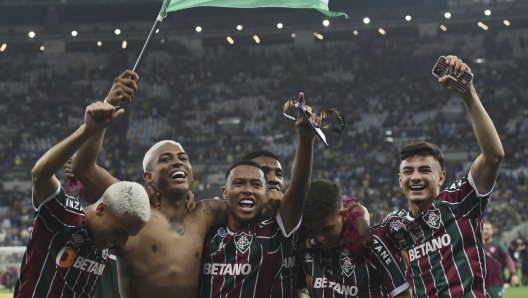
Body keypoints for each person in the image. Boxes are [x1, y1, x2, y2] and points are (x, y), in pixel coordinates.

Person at [71, 70, 276, 298]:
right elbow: (83, 167)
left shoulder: (205, 213)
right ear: (148, 177)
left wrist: (276, 196)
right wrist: (107, 108)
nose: (177, 162)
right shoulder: (131, 209)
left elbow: (252, 201)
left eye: (183, 159)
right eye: (166, 159)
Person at [376, 55, 504, 297]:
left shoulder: (458, 201)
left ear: (441, 177)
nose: (415, 177)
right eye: (408, 171)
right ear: (399, 179)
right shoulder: (394, 225)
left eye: (425, 170)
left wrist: (468, 95)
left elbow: (493, 156)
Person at [14, 101, 151, 298]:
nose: (121, 242)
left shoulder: (104, 242)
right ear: (102, 209)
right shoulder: (64, 213)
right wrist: (87, 130)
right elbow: (40, 175)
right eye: (120, 231)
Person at [199, 95, 316, 297]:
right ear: (225, 191)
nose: (273, 180)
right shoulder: (206, 228)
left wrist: (305, 139)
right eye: (240, 182)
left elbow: (299, 189)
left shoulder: (279, 227)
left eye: (256, 184)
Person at [240, 149, 372, 298]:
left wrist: (361, 219)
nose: (273, 179)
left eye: (279, 174)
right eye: (264, 172)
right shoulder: (222, 223)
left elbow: (340, 207)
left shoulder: (298, 222)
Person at [297, 180, 412, 298]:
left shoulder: (371, 242)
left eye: (327, 229)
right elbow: (298, 290)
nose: (320, 238)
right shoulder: (303, 246)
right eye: (312, 231)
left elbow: (402, 294)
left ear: (343, 215)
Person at [482, 221, 518, 298]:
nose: (485, 231)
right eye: (483, 229)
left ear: (492, 230)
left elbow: (508, 259)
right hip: (480, 284)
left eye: (488, 229)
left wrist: (514, 274)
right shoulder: (476, 246)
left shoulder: (498, 245)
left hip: (496, 283)